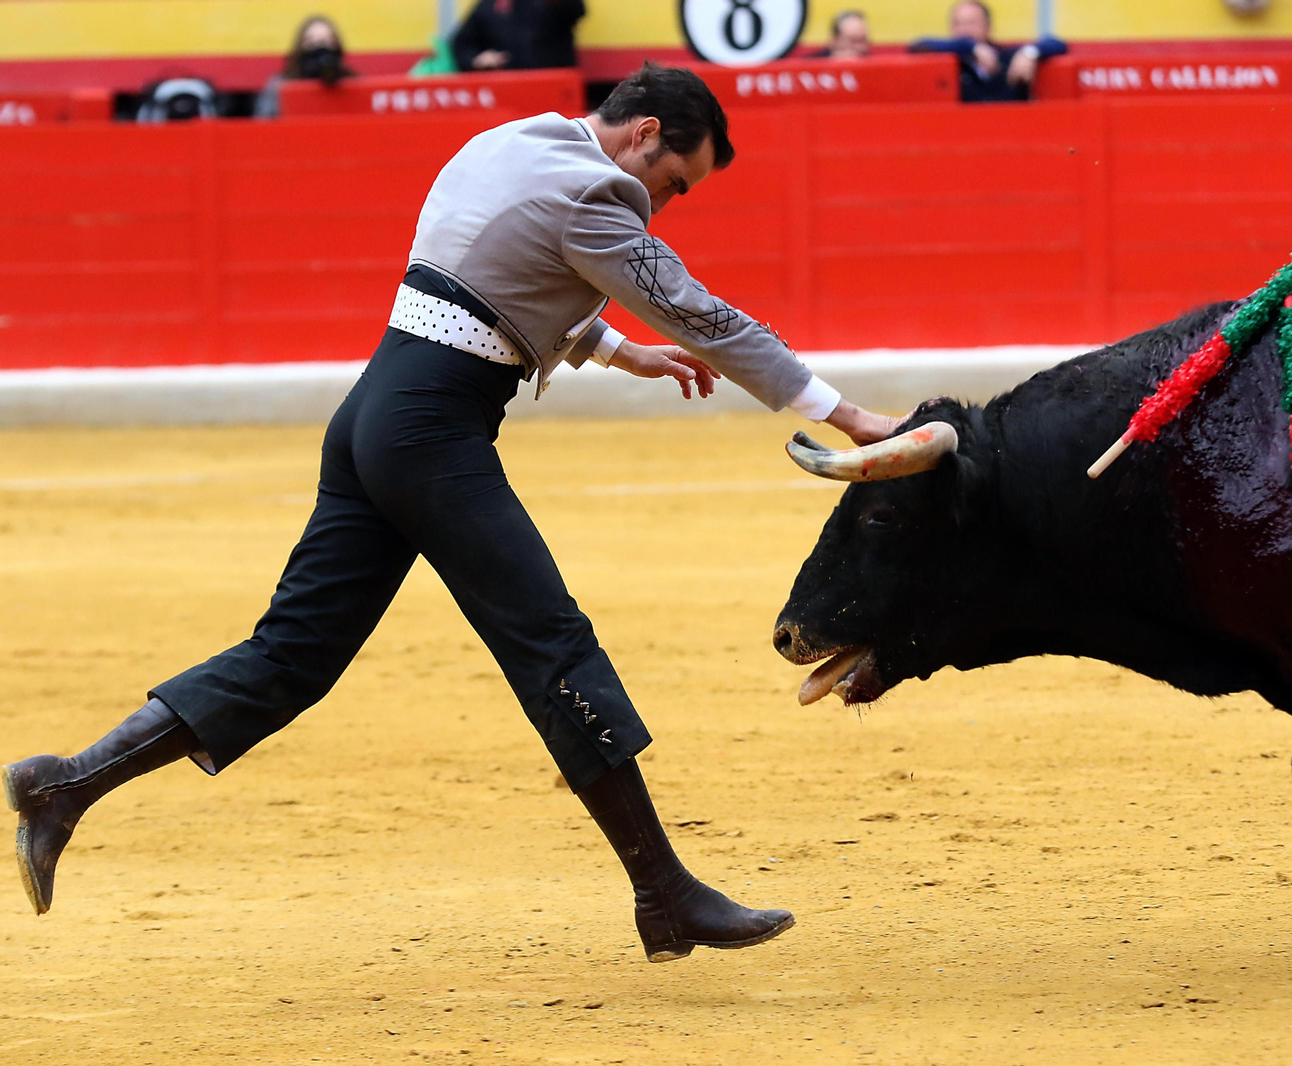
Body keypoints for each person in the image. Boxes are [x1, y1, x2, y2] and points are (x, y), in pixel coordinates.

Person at [2, 63, 900, 963]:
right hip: (433, 430)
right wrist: (844, 412)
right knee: (551, 642)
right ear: (646, 134)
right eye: (672, 184)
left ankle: (66, 785)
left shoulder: (510, 142)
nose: (660, 206)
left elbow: (493, 266)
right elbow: (703, 314)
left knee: (294, 651)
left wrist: (617, 351)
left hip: (374, 414)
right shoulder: (598, 191)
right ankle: (664, 895)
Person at [910, 0, 1067, 103]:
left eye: (971, 22)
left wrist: (1030, 53)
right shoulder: (953, 62)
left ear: (988, 26)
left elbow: (1058, 44)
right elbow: (918, 45)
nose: (964, 29)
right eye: (957, 23)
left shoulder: (1009, 57)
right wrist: (971, 47)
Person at [254, 15, 357, 119]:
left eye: (326, 42)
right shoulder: (280, 85)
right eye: (311, 42)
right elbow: (263, 124)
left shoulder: (354, 83)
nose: (319, 48)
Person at [451, 0, 583, 73]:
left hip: (553, 84)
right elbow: (461, 44)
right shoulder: (489, 6)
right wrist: (476, 59)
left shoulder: (549, 4)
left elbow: (576, 11)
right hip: (506, 86)